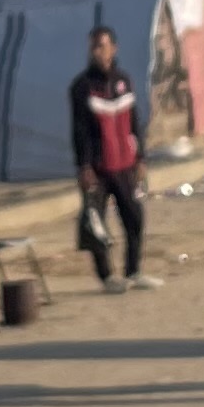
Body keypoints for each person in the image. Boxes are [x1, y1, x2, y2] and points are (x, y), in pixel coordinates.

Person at [69, 22, 160, 291]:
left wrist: (140, 157)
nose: (98, 51)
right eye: (94, 47)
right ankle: (107, 277)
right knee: (95, 223)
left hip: (124, 165)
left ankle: (133, 271)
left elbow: (134, 122)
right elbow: (79, 130)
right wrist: (84, 166)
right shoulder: (81, 86)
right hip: (97, 168)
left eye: (102, 46)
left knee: (134, 217)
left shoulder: (124, 81)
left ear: (113, 48)